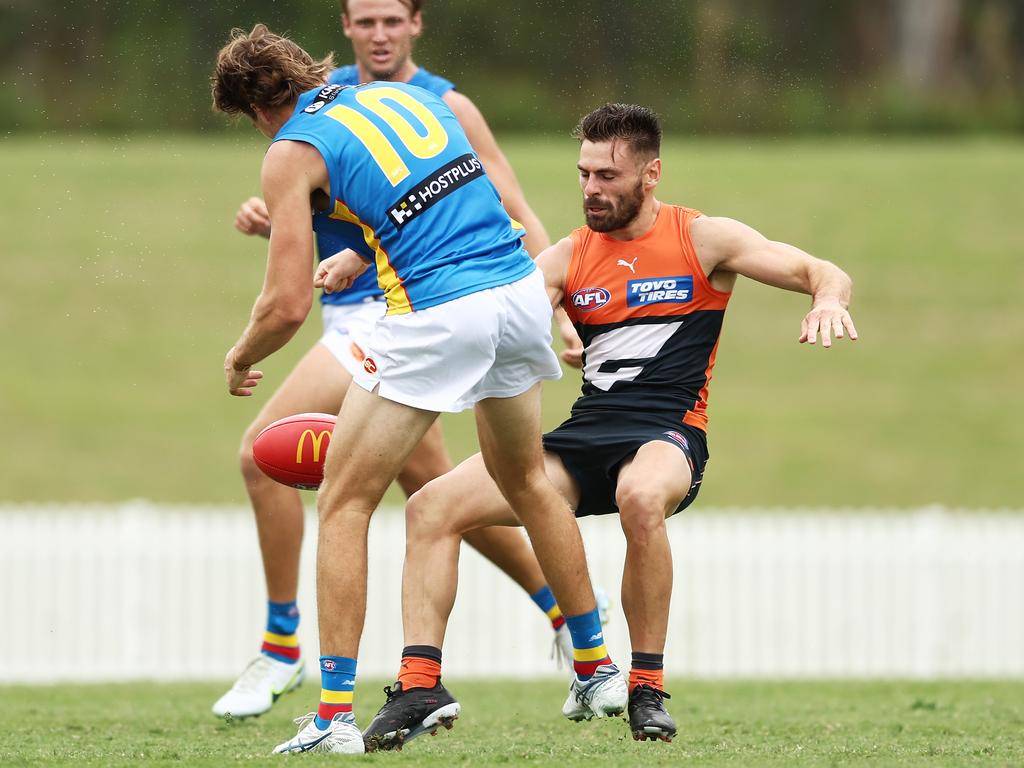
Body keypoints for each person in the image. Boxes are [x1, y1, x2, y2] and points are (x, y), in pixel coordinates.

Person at [355, 102, 859, 747]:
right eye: (584, 174)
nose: (592, 189)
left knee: (640, 499)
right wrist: (367, 266)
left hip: (667, 432)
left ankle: (645, 687)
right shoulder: (569, 255)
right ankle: (420, 685)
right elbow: (485, 308)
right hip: (584, 433)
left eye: (608, 176)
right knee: (430, 508)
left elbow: (820, 270)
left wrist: (827, 301)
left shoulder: (702, 238)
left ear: (651, 175)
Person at [211, 25, 625, 755]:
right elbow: (439, 202)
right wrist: (355, 258)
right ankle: (596, 667)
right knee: (525, 480)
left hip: (440, 315)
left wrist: (244, 355)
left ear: (256, 108)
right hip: (516, 294)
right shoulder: (405, 101)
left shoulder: (289, 150)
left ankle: (333, 713)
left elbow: (284, 308)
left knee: (345, 501)